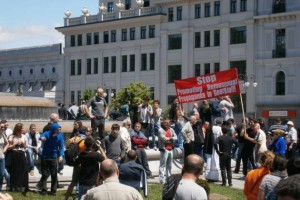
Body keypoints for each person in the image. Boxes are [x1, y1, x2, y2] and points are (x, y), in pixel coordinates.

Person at [39, 123, 64, 196]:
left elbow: (61, 147)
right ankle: (44, 190)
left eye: (60, 129)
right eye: (58, 129)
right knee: (44, 174)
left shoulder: (60, 136)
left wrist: (61, 155)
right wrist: (42, 138)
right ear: (53, 129)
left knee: (54, 174)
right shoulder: (47, 133)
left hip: (53, 157)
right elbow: (41, 137)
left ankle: (53, 191)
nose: (59, 131)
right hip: (45, 156)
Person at [65, 126, 88, 200]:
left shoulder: (72, 139)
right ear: (85, 132)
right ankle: (81, 196)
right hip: (84, 163)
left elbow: (67, 147)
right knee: (84, 182)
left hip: (76, 162)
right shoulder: (85, 140)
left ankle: (66, 198)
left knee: (73, 182)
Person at [6, 123, 28, 193]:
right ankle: (14, 187)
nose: (24, 129)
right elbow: (8, 148)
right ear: (19, 129)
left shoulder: (24, 136)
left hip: (22, 154)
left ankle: (23, 187)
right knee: (14, 171)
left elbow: (25, 147)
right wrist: (14, 144)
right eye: (22, 128)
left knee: (24, 171)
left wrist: (23, 144)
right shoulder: (12, 137)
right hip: (14, 154)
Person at [158, 118, 177, 184]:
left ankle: (169, 178)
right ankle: (162, 180)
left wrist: (169, 139)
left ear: (170, 124)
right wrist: (171, 139)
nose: (166, 124)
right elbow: (164, 139)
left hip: (171, 149)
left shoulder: (171, 130)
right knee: (162, 165)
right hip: (164, 149)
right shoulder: (160, 130)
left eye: (168, 123)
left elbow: (176, 138)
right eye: (165, 122)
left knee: (169, 165)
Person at [0, 124, 8, 192]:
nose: (3, 128)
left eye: (3, 127)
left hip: (2, 157)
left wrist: (5, 149)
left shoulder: (3, 135)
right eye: (1, 127)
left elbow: (7, 143)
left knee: (2, 174)